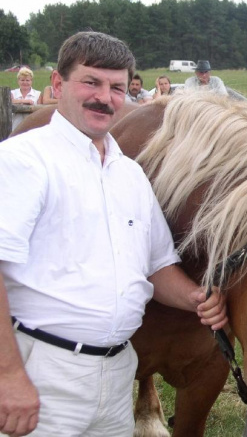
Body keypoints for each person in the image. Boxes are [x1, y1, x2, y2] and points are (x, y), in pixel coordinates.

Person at [0, 31, 227, 437]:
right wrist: (9, 375)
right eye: (91, 82)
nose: (104, 97)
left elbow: (157, 267)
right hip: (46, 371)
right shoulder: (23, 161)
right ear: (57, 84)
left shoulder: (130, 174)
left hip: (119, 371)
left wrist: (197, 299)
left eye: (116, 87)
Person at [10, 67, 42, 131]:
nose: (25, 82)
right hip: (15, 127)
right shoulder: (12, 93)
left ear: (31, 81)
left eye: (27, 80)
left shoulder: (38, 94)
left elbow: (40, 112)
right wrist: (26, 101)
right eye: (22, 80)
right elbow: (10, 102)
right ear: (18, 81)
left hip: (32, 127)